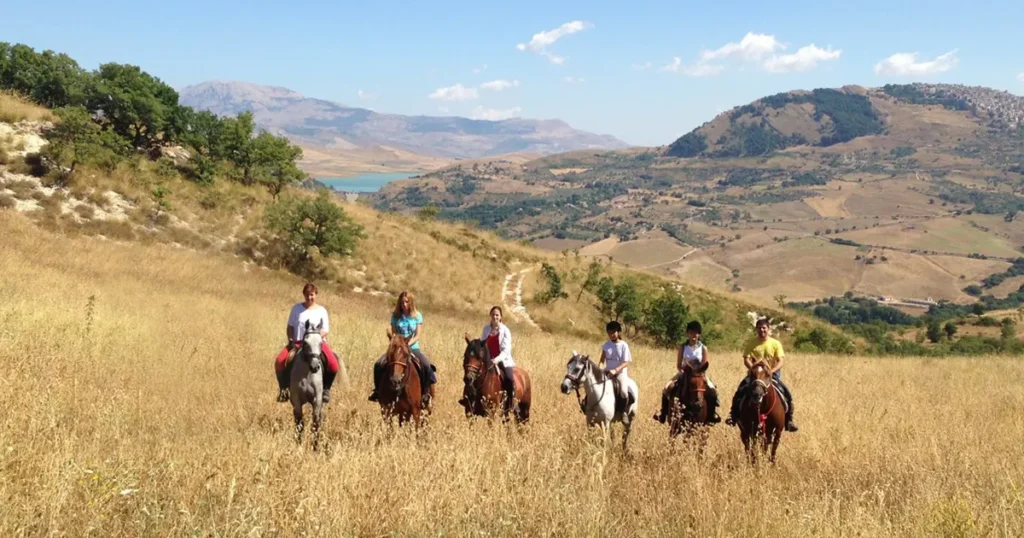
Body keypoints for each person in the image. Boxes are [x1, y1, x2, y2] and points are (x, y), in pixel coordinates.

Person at [726, 318, 799, 432]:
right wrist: (753, 370)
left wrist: (771, 371)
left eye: (764, 328)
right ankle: (733, 415)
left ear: (768, 329)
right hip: (755, 375)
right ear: (756, 329)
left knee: (785, 391)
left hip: (772, 375)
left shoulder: (775, 343)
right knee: (740, 390)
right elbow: (746, 359)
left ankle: (789, 420)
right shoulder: (751, 343)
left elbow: (781, 361)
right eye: (759, 328)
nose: (762, 330)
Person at [274, 283, 341, 403]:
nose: (309, 297)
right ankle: (284, 389)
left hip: (316, 343)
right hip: (298, 342)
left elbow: (325, 329)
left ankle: (326, 390)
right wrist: (291, 340)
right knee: (279, 361)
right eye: (306, 295)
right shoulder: (296, 309)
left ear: (316, 294)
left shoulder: (322, 310)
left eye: (312, 295)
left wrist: (314, 338)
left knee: (334, 365)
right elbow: (290, 327)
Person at [368, 291, 436, 405]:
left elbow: (418, 335)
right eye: (402, 302)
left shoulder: (417, 316)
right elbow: (394, 335)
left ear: (411, 303)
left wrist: (407, 344)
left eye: (406, 302)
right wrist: (398, 345)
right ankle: (377, 392)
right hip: (397, 349)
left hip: (412, 347)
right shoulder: (395, 317)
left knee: (426, 365)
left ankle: (425, 393)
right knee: (378, 364)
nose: (404, 304)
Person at [654, 320, 720, 423]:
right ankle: (663, 414)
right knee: (667, 387)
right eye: (691, 332)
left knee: (713, 391)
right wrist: (684, 370)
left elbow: (705, 365)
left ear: (699, 334)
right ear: (687, 334)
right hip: (684, 373)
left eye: (695, 333)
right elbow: (679, 364)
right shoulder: (683, 347)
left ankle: (712, 415)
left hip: (699, 374)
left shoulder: (703, 348)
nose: (693, 335)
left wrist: (698, 372)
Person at [480, 306, 516, 412]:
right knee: (473, 374)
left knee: (509, 378)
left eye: (497, 315)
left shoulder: (505, 331)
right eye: (493, 314)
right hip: (487, 360)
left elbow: (506, 351)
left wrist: (496, 360)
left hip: (502, 361)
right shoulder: (486, 329)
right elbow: (482, 344)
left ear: (500, 317)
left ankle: (511, 402)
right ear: (490, 316)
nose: (495, 317)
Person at [600, 320, 633, 406]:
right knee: (594, 384)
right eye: (609, 333)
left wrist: (615, 370)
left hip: (620, 373)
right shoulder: (606, 345)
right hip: (607, 371)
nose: (611, 335)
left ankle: (624, 411)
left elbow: (625, 362)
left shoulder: (624, 345)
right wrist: (600, 369)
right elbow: (601, 360)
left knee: (623, 391)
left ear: (618, 332)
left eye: (613, 333)